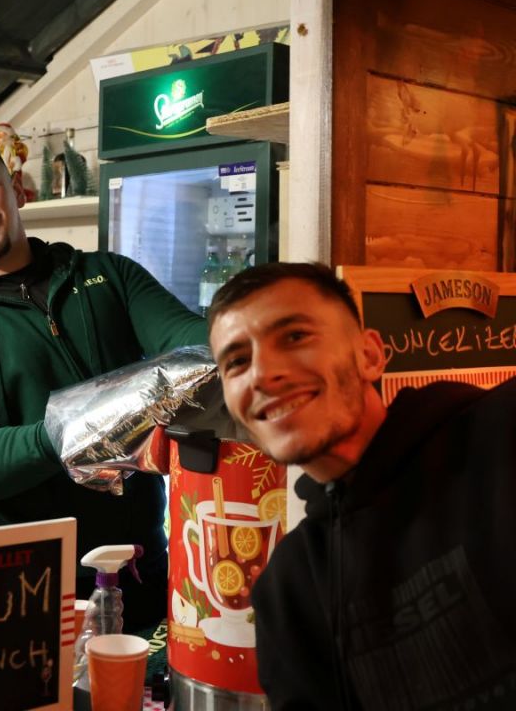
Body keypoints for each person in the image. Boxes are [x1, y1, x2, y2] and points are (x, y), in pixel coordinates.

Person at [0, 126, 207, 632]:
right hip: (23, 591)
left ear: (17, 191)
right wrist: (102, 423)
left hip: (144, 570)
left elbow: (199, 342)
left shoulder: (110, 276)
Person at [207, 261, 516, 709]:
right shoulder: (289, 591)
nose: (261, 374)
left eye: (294, 337)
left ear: (370, 355)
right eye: (237, 361)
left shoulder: (501, 435)